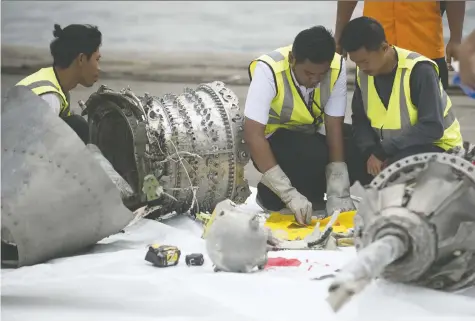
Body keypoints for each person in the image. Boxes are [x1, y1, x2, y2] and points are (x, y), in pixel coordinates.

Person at [244, 26, 360, 226]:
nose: (314, 80)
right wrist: (289, 195)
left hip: (309, 133)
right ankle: (272, 194)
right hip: (272, 141)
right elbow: (253, 134)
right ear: (292, 59)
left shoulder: (336, 65)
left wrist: (338, 187)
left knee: (357, 145)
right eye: (308, 73)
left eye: (321, 75)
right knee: (311, 153)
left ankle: (316, 195)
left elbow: (334, 127)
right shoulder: (268, 69)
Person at [339, 17, 464, 180]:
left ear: (384, 48)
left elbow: (432, 126)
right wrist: (370, 152)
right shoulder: (364, 73)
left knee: (396, 167)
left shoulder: (420, 71)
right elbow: (360, 120)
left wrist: (382, 152)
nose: (361, 68)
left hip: (437, 147)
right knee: (337, 146)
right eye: (356, 63)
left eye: (365, 61)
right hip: (389, 147)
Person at [333, 0, 466, 90]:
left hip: (425, 49)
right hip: (374, 49)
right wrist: (339, 35)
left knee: (431, 118)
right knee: (370, 117)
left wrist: (455, 39)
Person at [16, 23, 102, 144]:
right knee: (78, 126)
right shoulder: (49, 97)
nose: (99, 68)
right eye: (97, 59)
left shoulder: (54, 82)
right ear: (81, 59)